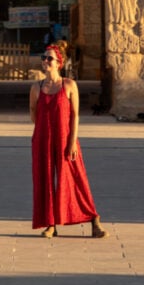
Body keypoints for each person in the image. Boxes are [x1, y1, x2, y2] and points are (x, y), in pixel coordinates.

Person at [29, 40, 107, 239]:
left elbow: (75, 115)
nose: (45, 61)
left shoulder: (69, 85)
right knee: (44, 180)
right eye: (43, 58)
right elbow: (33, 114)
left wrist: (72, 141)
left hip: (66, 139)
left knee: (74, 178)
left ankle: (93, 219)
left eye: (49, 58)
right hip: (43, 139)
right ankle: (50, 224)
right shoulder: (36, 88)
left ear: (58, 63)